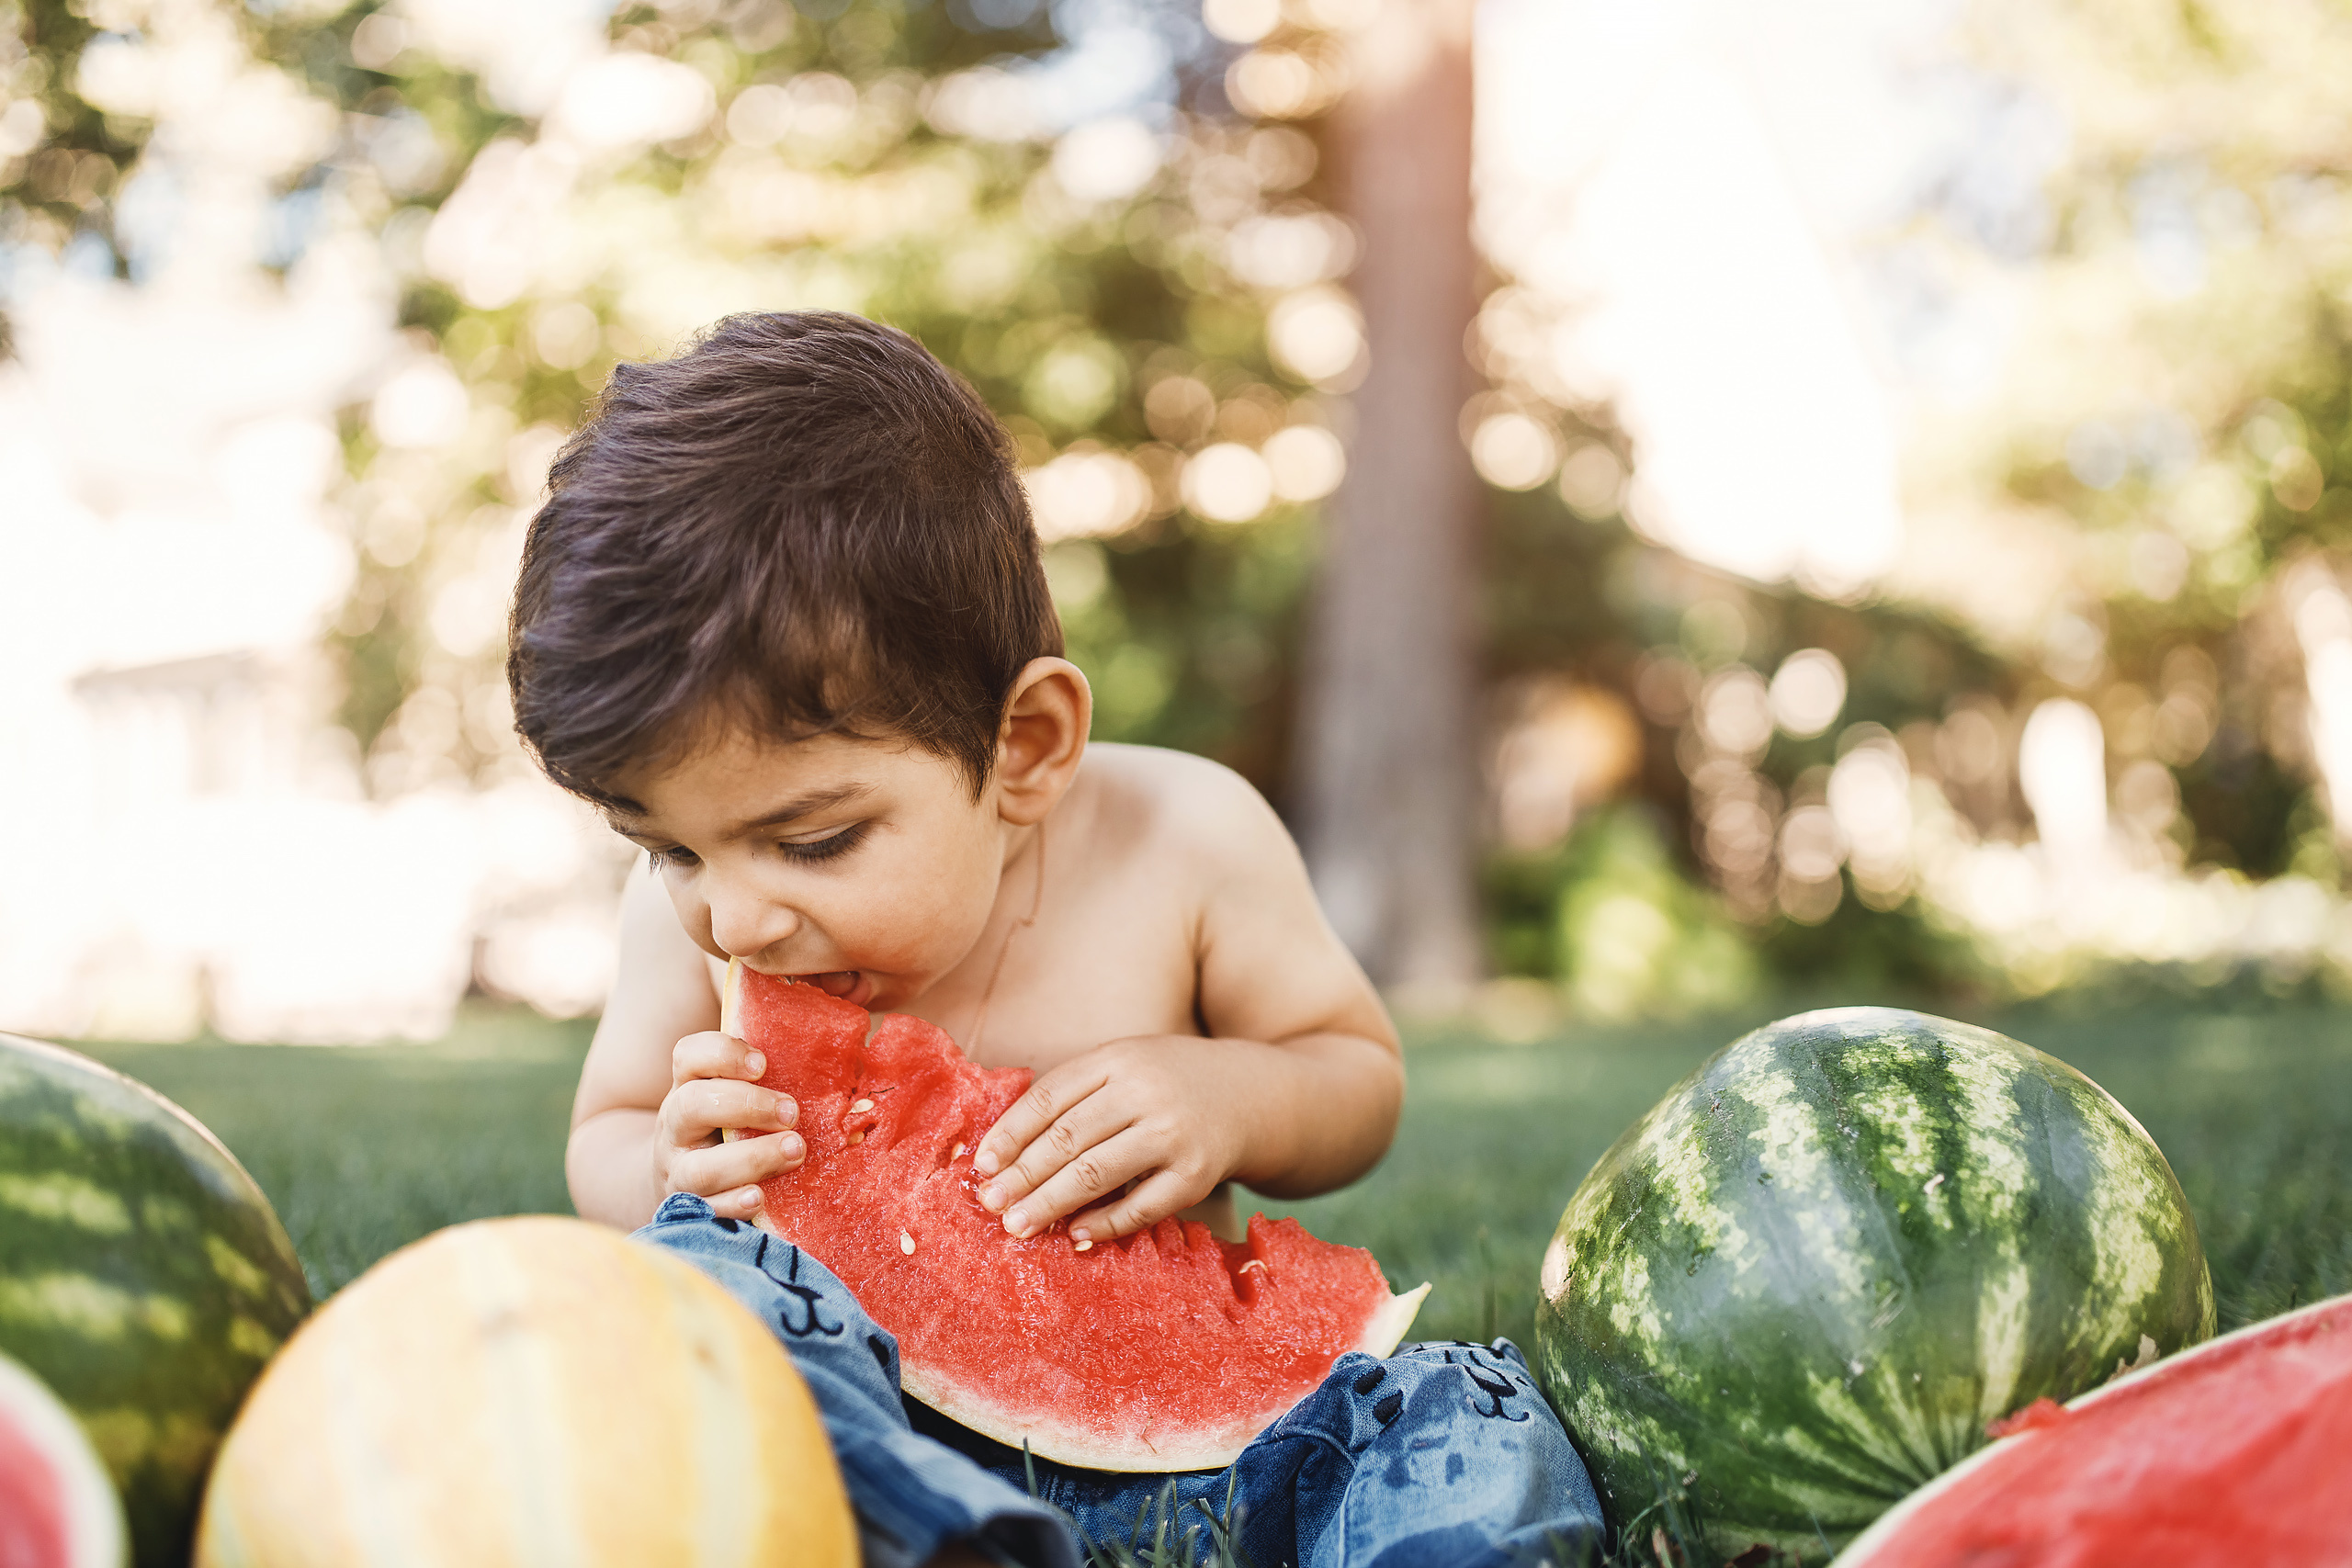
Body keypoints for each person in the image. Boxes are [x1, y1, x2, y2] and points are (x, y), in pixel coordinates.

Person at [507, 310, 1602, 1568]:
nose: (735, 917)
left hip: (1221, 1449)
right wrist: (667, 1170)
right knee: (705, 1304)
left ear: (1024, 747)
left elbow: (1354, 1076)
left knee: (1461, 1409)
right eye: (669, 847)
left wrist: (1228, 1097)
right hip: (848, 1420)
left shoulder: (1188, 838)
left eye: (812, 842)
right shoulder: (685, 928)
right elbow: (607, 1134)